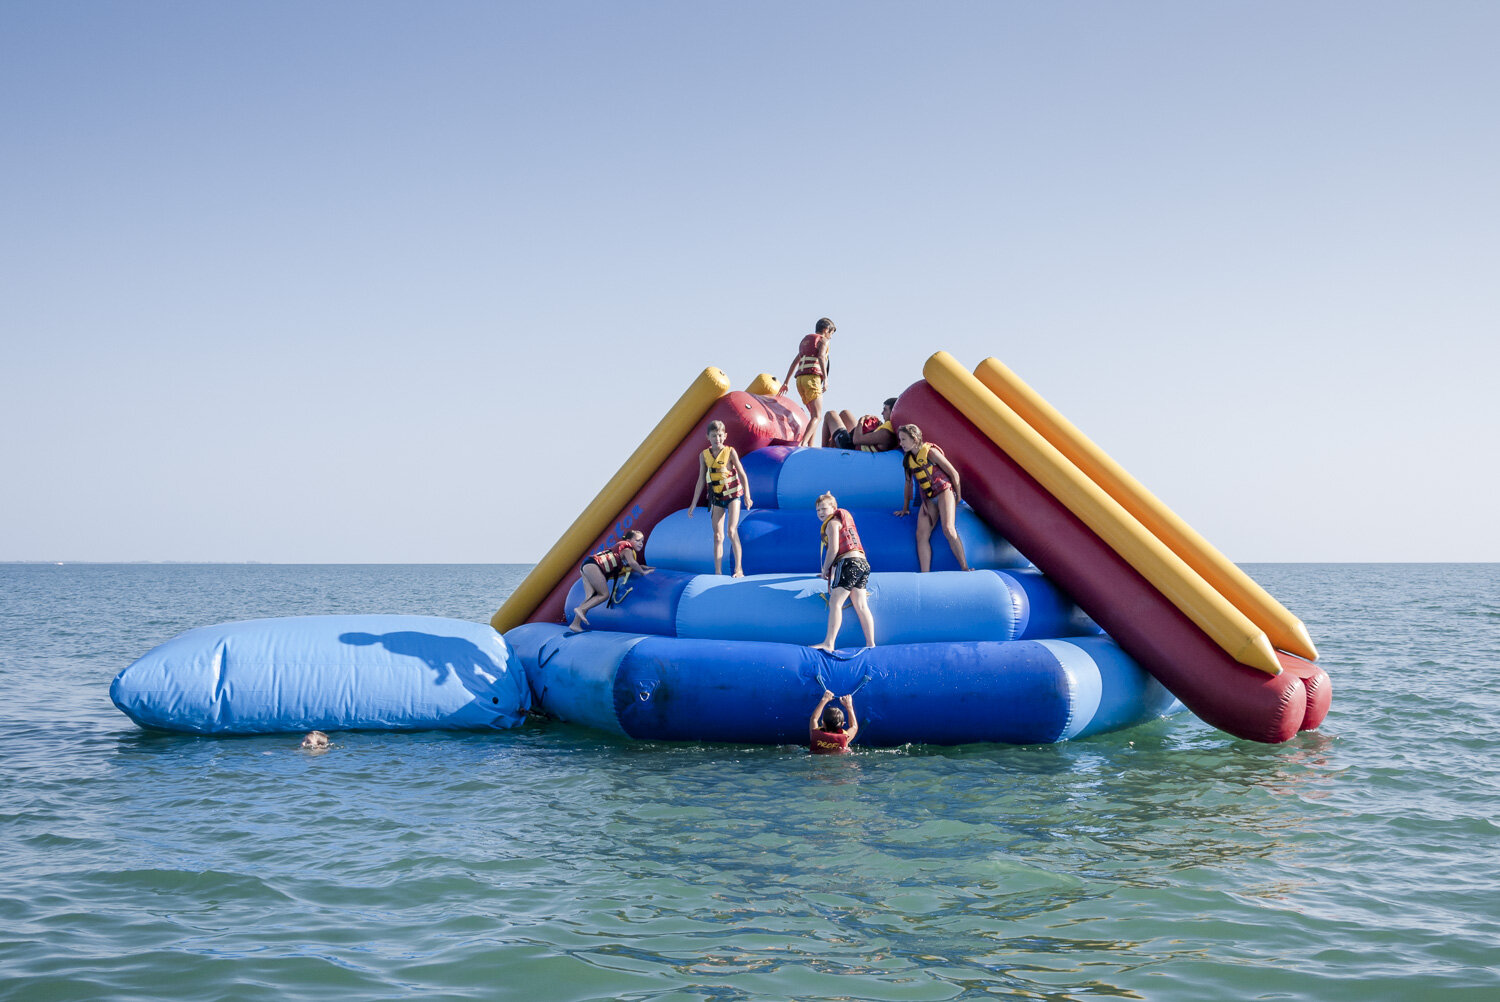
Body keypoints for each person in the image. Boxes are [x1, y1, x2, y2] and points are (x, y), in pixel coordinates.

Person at [894, 424, 971, 573]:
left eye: (903, 439)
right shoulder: (908, 460)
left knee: (948, 528)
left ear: (915, 439)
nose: (901, 443)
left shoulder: (931, 453)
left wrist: (958, 497)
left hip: (944, 491)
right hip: (929, 498)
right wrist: (904, 509)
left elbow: (954, 474)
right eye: (900, 439)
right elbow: (908, 485)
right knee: (921, 535)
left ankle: (965, 567)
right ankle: (925, 574)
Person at [687, 419, 753, 576]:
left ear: (725, 436)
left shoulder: (730, 452)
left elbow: (742, 474)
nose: (717, 439)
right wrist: (693, 503)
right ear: (707, 437)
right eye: (714, 436)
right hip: (717, 496)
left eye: (720, 435)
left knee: (731, 530)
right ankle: (718, 572)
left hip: (733, 495)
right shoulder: (703, 456)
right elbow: (701, 479)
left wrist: (747, 496)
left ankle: (738, 569)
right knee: (717, 535)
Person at [812, 491, 876, 651]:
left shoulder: (833, 523)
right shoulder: (844, 522)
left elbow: (833, 549)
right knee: (861, 605)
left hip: (849, 563)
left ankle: (829, 643)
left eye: (824, 509)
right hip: (862, 563)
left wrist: (824, 569)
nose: (820, 513)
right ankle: (871, 644)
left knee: (835, 602)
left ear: (834, 508)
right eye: (818, 510)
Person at [569, 529, 654, 631]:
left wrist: (641, 566)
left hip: (587, 565)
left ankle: (575, 624)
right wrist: (642, 572)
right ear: (628, 540)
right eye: (637, 540)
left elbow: (627, 565)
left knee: (590, 597)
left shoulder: (622, 548)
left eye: (642, 541)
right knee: (604, 595)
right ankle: (581, 609)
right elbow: (632, 563)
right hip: (594, 566)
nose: (640, 544)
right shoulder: (628, 549)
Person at [779, 318, 835, 448]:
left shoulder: (807, 342)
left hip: (800, 380)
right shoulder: (823, 340)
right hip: (812, 379)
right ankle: (803, 444)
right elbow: (821, 357)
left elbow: (795, 362)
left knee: (813, 415)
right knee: (817, 416)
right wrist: (825, 379)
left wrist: (786, 382)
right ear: (826, 330)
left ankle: (810, 444)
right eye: (831, 334)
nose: (830, 338)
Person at [823, 397, 898, 452]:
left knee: (830, 414)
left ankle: (822, 451)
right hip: (855, 442)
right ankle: (832, 445)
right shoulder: (888, 428)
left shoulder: (885, 434)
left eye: (885, 410)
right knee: (845, 413)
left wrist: (861, 420)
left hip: (850, 447)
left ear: (892, 412)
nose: (882, 413)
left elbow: (857, 440)